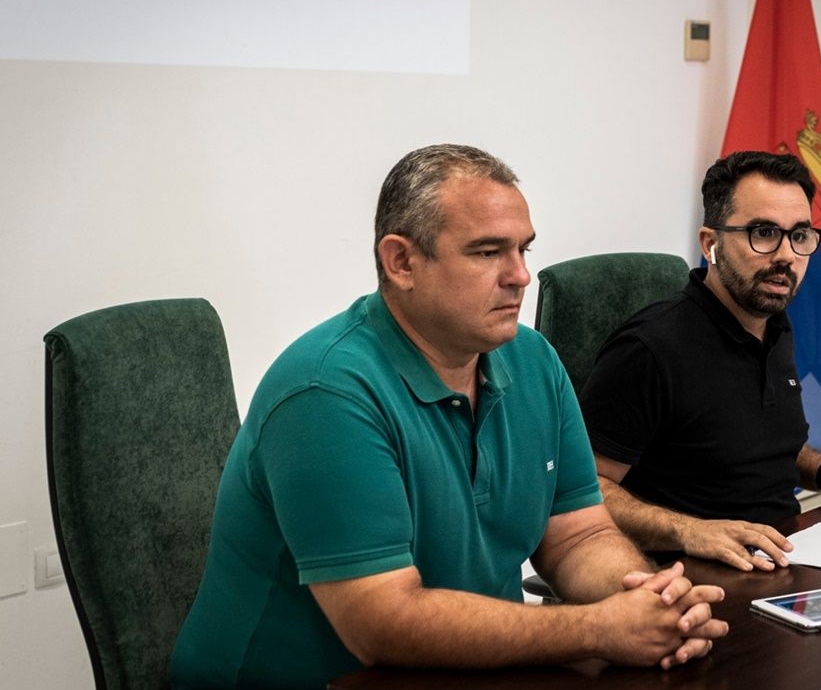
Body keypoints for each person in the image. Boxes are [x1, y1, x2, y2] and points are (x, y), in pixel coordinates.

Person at [170, 145, 727, 689]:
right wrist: (596, 629)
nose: (520, 276)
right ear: (402, 261)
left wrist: (649, 600)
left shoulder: (533, 360)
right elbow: (381, 623)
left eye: (523, 250)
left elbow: (576, 535)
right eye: (488, 253)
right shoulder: (325, 393)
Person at [579, 151, 821, 574]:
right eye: (763, 233)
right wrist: (691, 530)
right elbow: (583, 491)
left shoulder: (774, 324)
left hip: (789, 553)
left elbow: (759, 445)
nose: (786, 255)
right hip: (689, 578)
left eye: (800, 235)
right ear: (710, 244)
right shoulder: (649, 349)